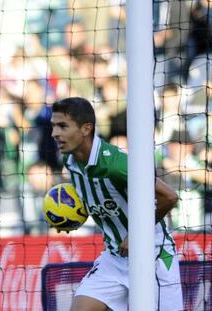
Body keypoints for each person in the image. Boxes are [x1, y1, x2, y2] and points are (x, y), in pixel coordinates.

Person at [50, 97, 183, 311]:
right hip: (114, 257)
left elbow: (170, 197)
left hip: (153, 256)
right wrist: (68, 216)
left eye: (62, 126)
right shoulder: (70, 161)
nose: (55, 133)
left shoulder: (116, 164)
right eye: (53, 126)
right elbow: (95, 196)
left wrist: (137, 235)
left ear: (86, 128)